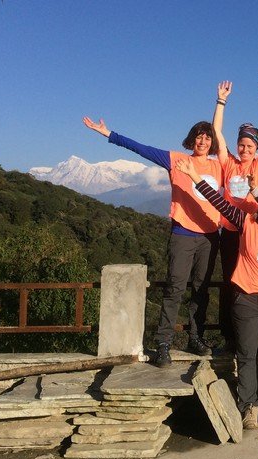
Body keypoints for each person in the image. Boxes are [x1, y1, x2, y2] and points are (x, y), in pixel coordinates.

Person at [82, 115, 221, 367]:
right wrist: (109, 134)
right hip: (183, 234)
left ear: (213, 142)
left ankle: (195, 337)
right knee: (174, 288)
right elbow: (141, 149)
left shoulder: (219, 166)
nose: (203, 140)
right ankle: (164, 343)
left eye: (208, 136)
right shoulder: (176, 160)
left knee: (201, 290)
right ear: (192, 139)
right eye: (199, 136)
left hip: (211, 236)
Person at [175, 159, 258, 430]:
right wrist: (195, 175)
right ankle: (248, 406)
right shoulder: (247, 223)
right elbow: (219, 203)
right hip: (246, 299)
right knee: (246, 354)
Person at [212, 78, 258, 353]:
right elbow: (216, 131)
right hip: (230, 233)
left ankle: (256, 337)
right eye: (242, 145)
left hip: (255, 232)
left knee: (255, 284)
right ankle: (230, 337)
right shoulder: (228, 163)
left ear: (257, 148)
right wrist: (221, 101)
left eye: (250, 146)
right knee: (230, 283)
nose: (245, 150)